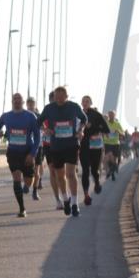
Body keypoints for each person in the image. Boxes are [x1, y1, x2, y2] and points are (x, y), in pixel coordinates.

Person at [38, 87, 88, 217]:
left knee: (70, 173)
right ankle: (65, 199)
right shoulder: (49, 108)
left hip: (71, 144)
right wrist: (45, 129)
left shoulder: (74, 106)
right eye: (57, 96)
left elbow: (84, 119)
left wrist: (81, 130)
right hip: (56, 146)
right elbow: (38, 121)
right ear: (54, 97)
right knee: (60, 176)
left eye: (62, 95)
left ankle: (75, 203)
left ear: (67, 96)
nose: (59, 98)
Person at [0, 93, 41, 217]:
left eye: (19, 99)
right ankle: (22, 209)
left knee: (28, 181)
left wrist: (32, 153)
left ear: (23, 102)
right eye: (15, 99)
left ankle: (27, 186)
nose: (17, 101)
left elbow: (37, 136)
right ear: (12, 101)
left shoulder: (31, 116)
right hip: (13, 152)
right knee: (16, 178)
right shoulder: (6, 116)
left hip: (27, 152)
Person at [79, 95, 110, 206]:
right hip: (83, 146)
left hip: (95, 146)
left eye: (87, 101)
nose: (85, 103)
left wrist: (95, 129)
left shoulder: (97, 115)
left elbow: (106, 129)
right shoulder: (78, 114)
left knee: (94, 170)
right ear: (81, 103)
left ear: (91, 103)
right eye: (84, 101)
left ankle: (97, 182)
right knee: (85, 171)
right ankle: (86, 195)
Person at [26, 96, 46, 200]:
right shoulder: (23, 114)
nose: (30, 105)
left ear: (35, 104)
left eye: (32, 103)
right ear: (26, 104)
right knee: (26, 168)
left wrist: (39, 128)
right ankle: (26, 184)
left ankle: (35, 191)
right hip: (26, 146)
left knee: (36, 170)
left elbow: (44, 128)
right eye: (28, 103)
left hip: (38, 145)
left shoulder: (39, 115)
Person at [103, 110, 125, 180]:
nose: (111, 116)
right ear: (108, 116)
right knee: (108, 158)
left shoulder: (117, 124)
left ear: (115, 116)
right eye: (110, 115)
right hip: (107, 143)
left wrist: (119, 131)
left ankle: (112, 172)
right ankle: (110, 171)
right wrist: (105, 133)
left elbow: (123, 134)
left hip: (116, 143)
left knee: (113, 160)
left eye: (112, 115)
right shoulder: (105, 123)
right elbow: (101, 132)